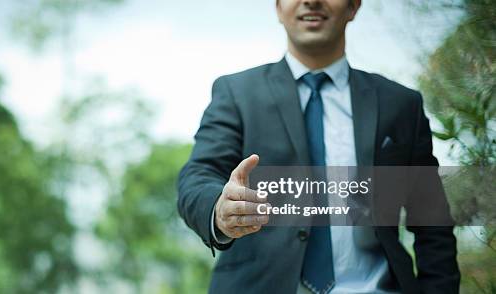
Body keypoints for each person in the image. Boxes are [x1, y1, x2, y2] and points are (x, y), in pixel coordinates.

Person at [176, 0, 460, 293]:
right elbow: (198, 175)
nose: (311, 0)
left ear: (353, 7)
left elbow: (432, 221)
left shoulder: (400, 105)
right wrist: (219, 209)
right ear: (277, 8)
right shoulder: (236, 93)